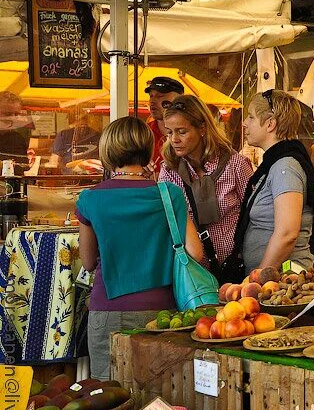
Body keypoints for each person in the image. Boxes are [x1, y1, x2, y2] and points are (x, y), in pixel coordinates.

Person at [76, 117, 203, 378]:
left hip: (108, 309)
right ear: (148, 149)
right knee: (161, 394)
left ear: (107, 150)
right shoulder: (169, 194)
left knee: (109, 393)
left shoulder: (90, 199)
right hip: (162, 310)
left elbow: (88, 262)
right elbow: (195, 253)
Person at [228, 90, 314, 276]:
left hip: (282, 281)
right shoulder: (276, 164)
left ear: (270, 124)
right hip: (275, 279)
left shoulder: (285, 168)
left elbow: (287, 233)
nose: (244, 123)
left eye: (251, 117)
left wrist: (258, 278)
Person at [158, 94, 253, 276]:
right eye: (170, 132)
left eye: (182, 131)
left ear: (202, 128)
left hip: (237, 267)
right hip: (193, 274)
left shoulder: (235, 164)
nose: (174, 139)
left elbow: (254, 214)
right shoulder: (169, 172)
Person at [144, 76, 184, 170]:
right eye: (151, 96)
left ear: (178, 99)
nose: (152, 101)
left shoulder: (192, 132)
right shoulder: (143, 133)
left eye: (160, 96)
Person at [0, 91, 31, 164]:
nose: (13, 118)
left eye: (16, 114)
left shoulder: (18, 139)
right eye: (7, 113)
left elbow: (21, 168)